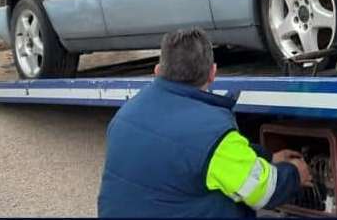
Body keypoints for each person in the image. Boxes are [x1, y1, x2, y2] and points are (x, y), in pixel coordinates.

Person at [98, 28, 311, 217]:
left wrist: (268, 157)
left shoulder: (125, 114)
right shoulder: (212, 133)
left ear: (157, 71)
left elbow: (189, 154)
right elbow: (263, 192)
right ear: (212, 73)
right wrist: (293, 173)